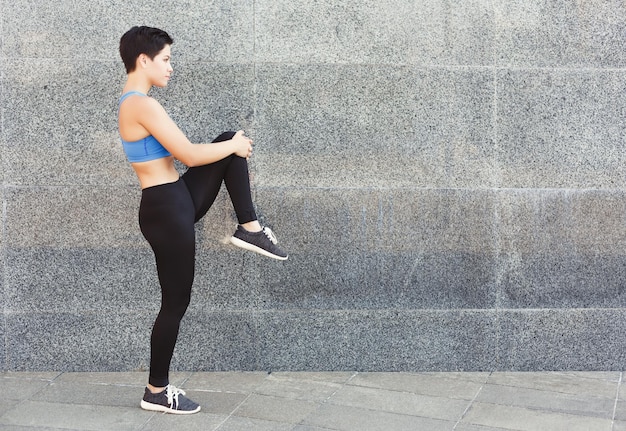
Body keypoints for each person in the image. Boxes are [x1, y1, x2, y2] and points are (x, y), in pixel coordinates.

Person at [118, 26, 288, 415]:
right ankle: (156, 391)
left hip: (174, 199)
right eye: (166, 59)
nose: (171, 68)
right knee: (175, 304)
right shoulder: (141, 104)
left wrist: (230, 145)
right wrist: (234, 147)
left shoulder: (137, 102)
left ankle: (250, 229)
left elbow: (193, 159)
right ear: (144, 60)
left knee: (229, 139)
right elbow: (190, 156)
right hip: (166, 208)